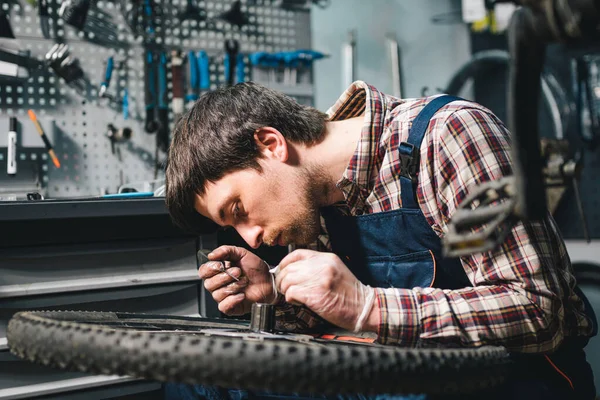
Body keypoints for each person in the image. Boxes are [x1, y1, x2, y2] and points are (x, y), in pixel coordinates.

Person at [164, 81, 597, 400]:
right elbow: (328, 326)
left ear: (271, 144)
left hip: (514, 384)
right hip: (400, 380)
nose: (251, 237)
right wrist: (275, 292)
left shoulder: (447, 137)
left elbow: (542, 308)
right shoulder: (315, 199)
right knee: (197, 379)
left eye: (238, 209)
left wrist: (367, 306)